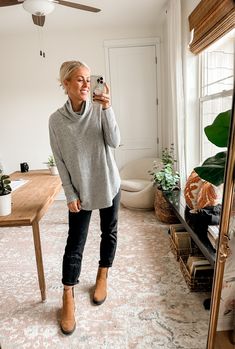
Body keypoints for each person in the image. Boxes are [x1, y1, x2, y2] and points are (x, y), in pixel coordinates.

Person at [49, 60, 121, 335]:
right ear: (65, 84)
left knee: (109, 233)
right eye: (79, 79)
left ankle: (103, 274)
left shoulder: (99, 110)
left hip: (109, 184)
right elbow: (60, 160)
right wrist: (69, 193)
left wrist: (108, 108)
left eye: (88, 79)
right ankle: (68, 294)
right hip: (81, 191)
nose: (86, 84)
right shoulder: (56, 121)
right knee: (75, 242)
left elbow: (115, 141)